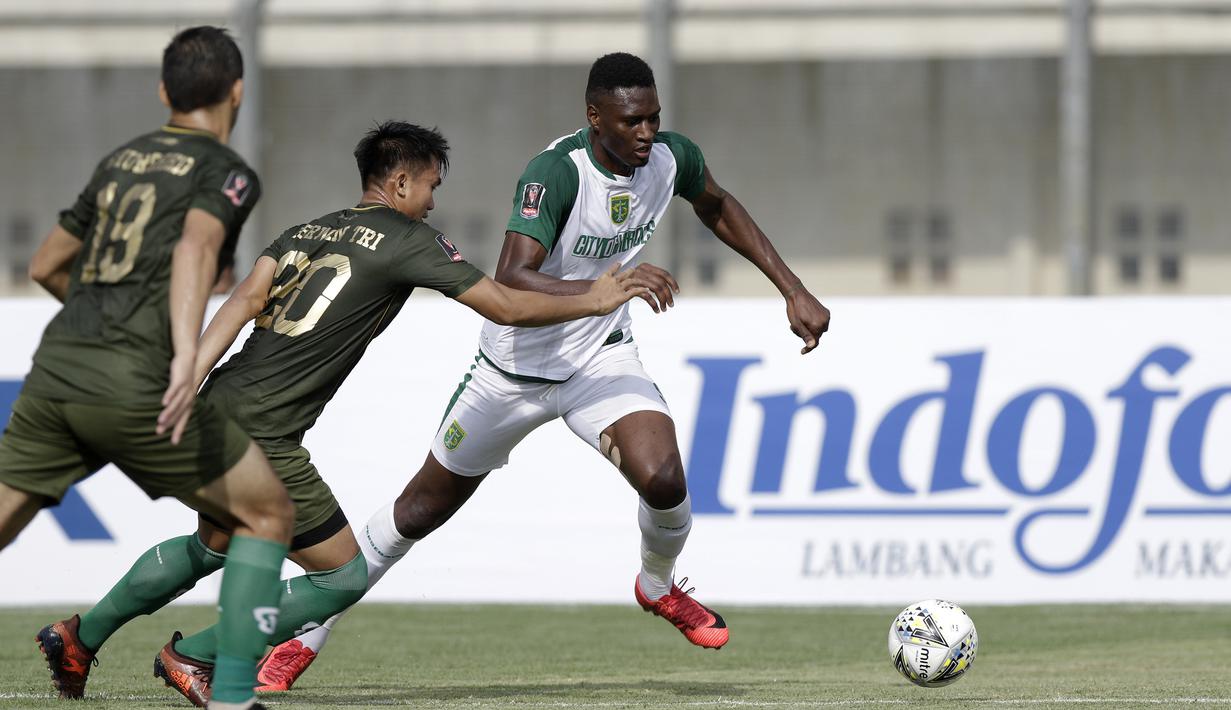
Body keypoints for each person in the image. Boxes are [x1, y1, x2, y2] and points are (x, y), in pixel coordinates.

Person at [254, 51, 833, 689]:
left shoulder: (672, 158)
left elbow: (717, 205)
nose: (646, 133)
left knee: (665, 478)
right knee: (416, 512)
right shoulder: (557, 173)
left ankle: (657, 585)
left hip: (599, 359)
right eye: (631, 121)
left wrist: (791, 288)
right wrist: (599, 290)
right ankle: (302, 638)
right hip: (509, 372)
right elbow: (511, 277)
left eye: (653, 118)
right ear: (595, 117)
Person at [35, 120, 643, 707]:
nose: (433, 203)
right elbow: (506, 306)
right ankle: (197, 655)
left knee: (212, 546)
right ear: (400, 183)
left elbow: (244, 301)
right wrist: (595, 298)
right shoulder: (409, 240)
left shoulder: (304, 231)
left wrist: (186, 379)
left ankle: (78, 638)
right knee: (342, 576)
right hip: (264, 434)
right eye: (432, 186)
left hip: (218, 404)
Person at [0, 26, 291, 710]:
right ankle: (233, 696)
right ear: (238, 91)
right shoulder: (227, 169)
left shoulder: (121, 158)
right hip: (135, 380)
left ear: (164, 91)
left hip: (59, 366)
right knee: (266, 512)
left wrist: (101, 323)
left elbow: (45, 264)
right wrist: (184, 351)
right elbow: (196, 247)